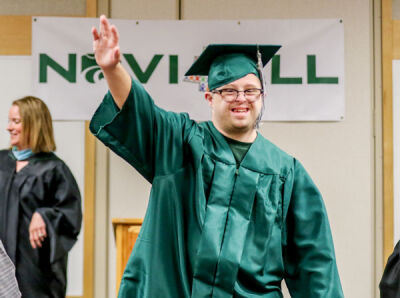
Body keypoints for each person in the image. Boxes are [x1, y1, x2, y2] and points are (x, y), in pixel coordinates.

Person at [90, 15, 344, 297]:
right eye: (229, 91)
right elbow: (142, 112)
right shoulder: (182, 143)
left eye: (250, 90)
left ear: (261, 96)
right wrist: (113, 69)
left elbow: (316, 265)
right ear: (210, 97)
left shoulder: (285, 172)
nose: (241, 98)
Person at [0, 96, 82, 298]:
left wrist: (45, 215)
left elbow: (70, 215)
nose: (9, 128)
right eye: (9, 121)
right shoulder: (1, 162)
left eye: (16, 121)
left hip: (34, 271)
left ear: (34, 124)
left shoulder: (54, 169)